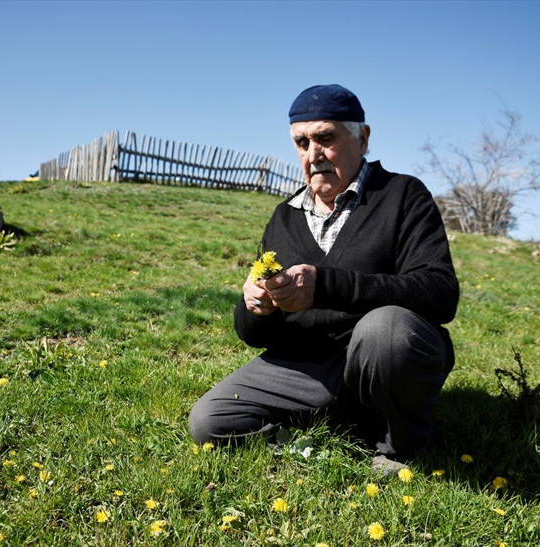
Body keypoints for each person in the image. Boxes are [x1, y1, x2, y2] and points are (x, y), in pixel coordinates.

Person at [188, 84, 459, 475]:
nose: (313, 155)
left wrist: (325, 285)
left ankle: (400, 447)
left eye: (325, 138)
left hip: (380, 357)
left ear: (362, 138)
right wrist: (255, 307)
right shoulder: (284, 217)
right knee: (210, 421)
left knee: (385, 331)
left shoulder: (403, 195)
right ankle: (340, 426)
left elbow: (440, 292)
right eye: (301, 143)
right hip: (309, 366)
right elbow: (256, 336)